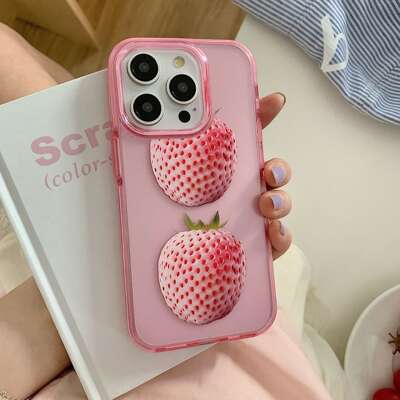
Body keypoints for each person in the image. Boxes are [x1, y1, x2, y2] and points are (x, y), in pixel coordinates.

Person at [0, 23, 331, 400]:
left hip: (101, 338)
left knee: (49, 88)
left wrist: (68, 305)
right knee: (86, 106)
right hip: (226, 341)